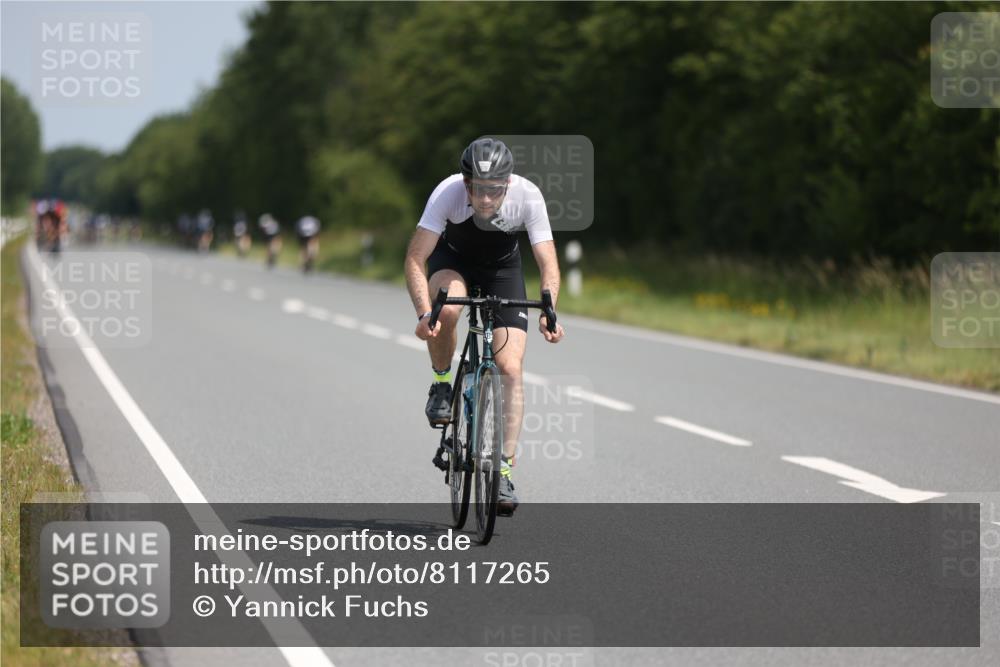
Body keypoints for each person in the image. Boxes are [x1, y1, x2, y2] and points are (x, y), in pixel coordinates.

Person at [403, 137, 565, 515]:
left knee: (510, 367)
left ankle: (503, 471)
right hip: (453, 262)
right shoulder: (446, 193)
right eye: (477, 188)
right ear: (465, 183)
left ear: (507, 184)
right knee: (447, 313)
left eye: (494, 190)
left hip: (502, 270)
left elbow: (548, 263)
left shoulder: (528, 195)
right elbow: (415, 258)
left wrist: (549, 310)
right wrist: (424, 314)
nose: (486, 198)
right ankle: (443, 385)